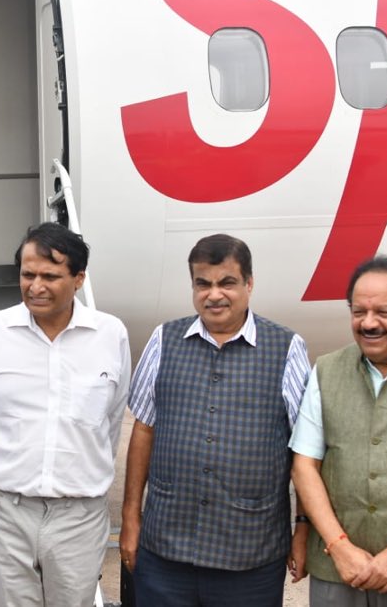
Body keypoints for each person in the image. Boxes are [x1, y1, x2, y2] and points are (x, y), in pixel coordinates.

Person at [120, 233, 311, 606]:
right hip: (165, 554)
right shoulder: (164, 339)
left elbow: (305, 449)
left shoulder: (286, 348)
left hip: (250, 558)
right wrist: (130, 517)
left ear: (249, 284)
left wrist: (302, 529)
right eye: (202, 284)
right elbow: (143, 429)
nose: (214, 294)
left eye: (227, 283)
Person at [0, 222, 131, 606]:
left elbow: (111, 420)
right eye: (28, 275)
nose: (35, 286)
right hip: (6, 511)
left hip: (79, 514)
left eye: (50, 276)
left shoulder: (110, 334)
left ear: (78, 279)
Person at [291, 256, 387, 605]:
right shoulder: (326, 371)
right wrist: (339, 547)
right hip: (337, 569)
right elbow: (304, 465)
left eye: (383, 312)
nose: (368, 323)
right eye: (358, 311)